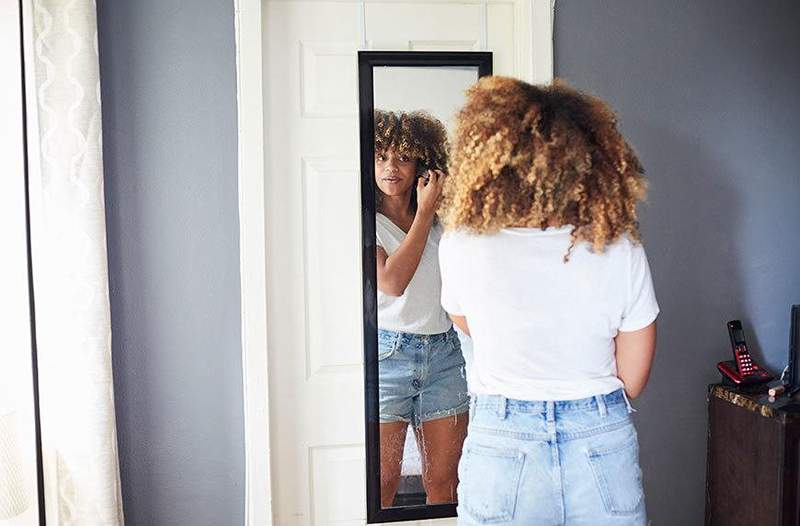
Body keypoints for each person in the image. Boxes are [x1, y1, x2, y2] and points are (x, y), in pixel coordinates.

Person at [438, 77, 659, 525]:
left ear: (490, 162)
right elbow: (632, 378)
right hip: (599, 440)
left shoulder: (462, 243)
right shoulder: (618, 247)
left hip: (502, 441)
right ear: (590, 163)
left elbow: (466, 325)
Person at [374, 109, 469, 507]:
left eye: (402, 157)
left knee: (445, 488)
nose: (390, 167)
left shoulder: (443, 220)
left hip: (444, 355)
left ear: (422, 164)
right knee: (380, 489)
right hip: (386, 357)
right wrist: (426, 211)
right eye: (380, 157)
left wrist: (436, 208)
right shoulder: (365, 222)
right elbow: (392, 282)